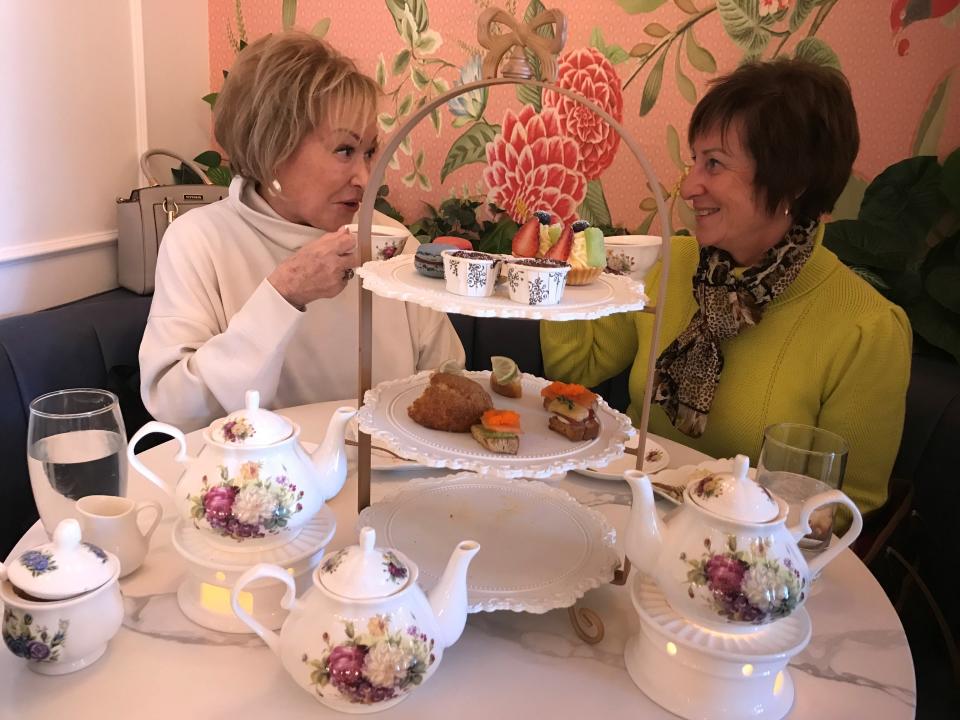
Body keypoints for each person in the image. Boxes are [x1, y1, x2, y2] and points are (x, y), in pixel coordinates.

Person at [541, 59, 911, 516]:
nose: (690, 184)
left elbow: (845, 509)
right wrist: (555, 269)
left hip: (738, 563)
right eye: (694, 160)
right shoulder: (675, 263)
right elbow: (581, 363)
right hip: (624, 517)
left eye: (714, 163)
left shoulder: (867, 329)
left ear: (792, 182)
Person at [140, 31, 464, 431]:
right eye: (345, 150)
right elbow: (176, 407)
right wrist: (283, 293)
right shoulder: (199, 241)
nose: (366, 178)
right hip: (260, 486)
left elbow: (448, 380)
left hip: (390, 478)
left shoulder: (391, 241)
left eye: (369, 152)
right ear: (273, 147)